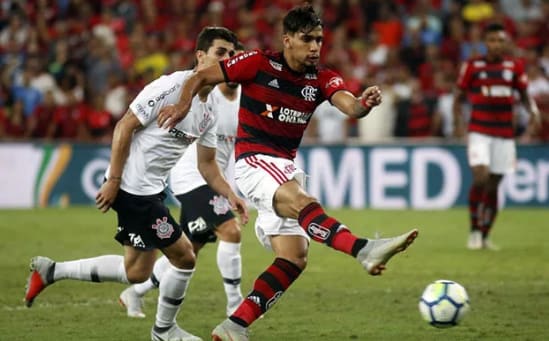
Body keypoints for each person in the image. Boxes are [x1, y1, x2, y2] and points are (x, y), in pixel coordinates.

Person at [157, 6, 419, 341]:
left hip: (284, 165)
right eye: (307, 39)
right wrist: (182, 106)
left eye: (319, 40)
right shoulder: (257, 63)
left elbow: (349, 105)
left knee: (294, 258)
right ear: (287, 40)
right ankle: (363, 249)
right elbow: (200, 76)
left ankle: (234, 326)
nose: (315, 47)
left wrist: (364, 103)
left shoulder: (322, 78)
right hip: (253, 162)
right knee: (302, 200)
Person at [24, 27, 248, 341]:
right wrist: (114, 180)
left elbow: (207, 165)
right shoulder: (171, 86)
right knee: (184, 256)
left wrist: (230, 194)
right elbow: (124, 126)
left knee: (137, 271)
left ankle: (51, 271)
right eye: (220, 52)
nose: (227, 59)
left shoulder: (209, 109)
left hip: (151, 189)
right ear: (200, 55)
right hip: (132, 189)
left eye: (232, 54)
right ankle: (164, 331)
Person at [119, 44, 245, 320]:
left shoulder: (244, 100)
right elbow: (190, 83)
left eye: (237, 59)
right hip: (190, 177)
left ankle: (136, 292)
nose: (231, 63)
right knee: (231, 230)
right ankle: (235, 304)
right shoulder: (207, 92)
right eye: (226, 57)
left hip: (211, 180)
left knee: (188, 251)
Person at [452, 22, 540, 250]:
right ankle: (473, 230)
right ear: (485, 43)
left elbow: (523, 94)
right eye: (492, 40)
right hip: (479, 131)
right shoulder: (472, 66)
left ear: (506, 42)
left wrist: (533, 112)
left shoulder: (515, 66)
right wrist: (458, 124)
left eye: (501, 40)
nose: (496, 45)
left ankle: (485, 234)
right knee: (481, 177)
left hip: (504, 134)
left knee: (494, 185)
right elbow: (458, 96)